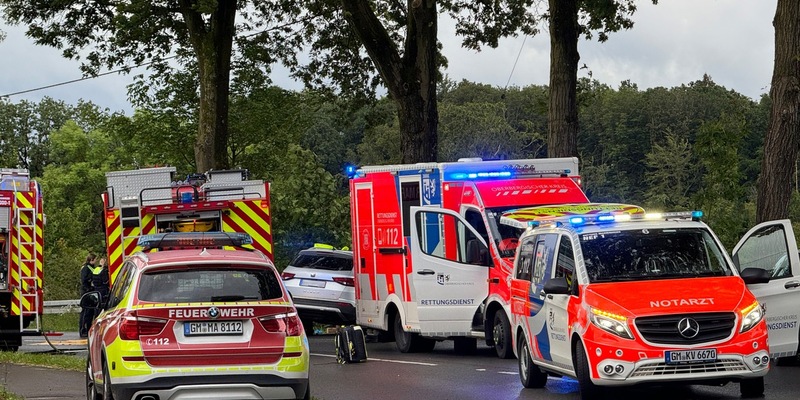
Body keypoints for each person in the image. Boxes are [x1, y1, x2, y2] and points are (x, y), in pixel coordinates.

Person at [79, 253, 96, 338]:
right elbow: (84, 280)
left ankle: (88, 328)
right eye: (95, 259)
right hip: (86, 292)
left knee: (90, 312)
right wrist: (88, 288)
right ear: (91, 259)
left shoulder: (92, 268)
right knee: (85, 311)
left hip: (90, 291)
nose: (96, 261)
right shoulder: (86, 268)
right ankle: (83, 330)